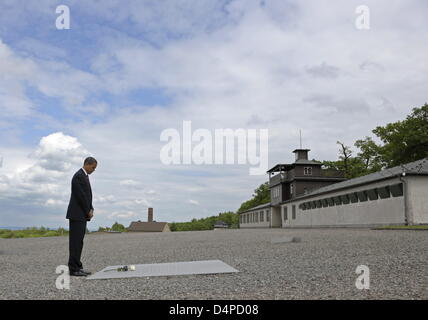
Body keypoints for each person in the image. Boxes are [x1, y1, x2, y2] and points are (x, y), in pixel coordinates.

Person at [66, 157, 97, 276]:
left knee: (79, 242)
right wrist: (87, 210)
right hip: (77, 214)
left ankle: (78, 267)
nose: (94, 170)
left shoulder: (84, 176)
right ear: (87, 164)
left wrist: (91, 208)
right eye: (93, 167)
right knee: (75, 242)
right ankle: (73, 269)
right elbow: (80, 196)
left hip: (81, 214)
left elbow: (87, 195)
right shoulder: (78, 176)